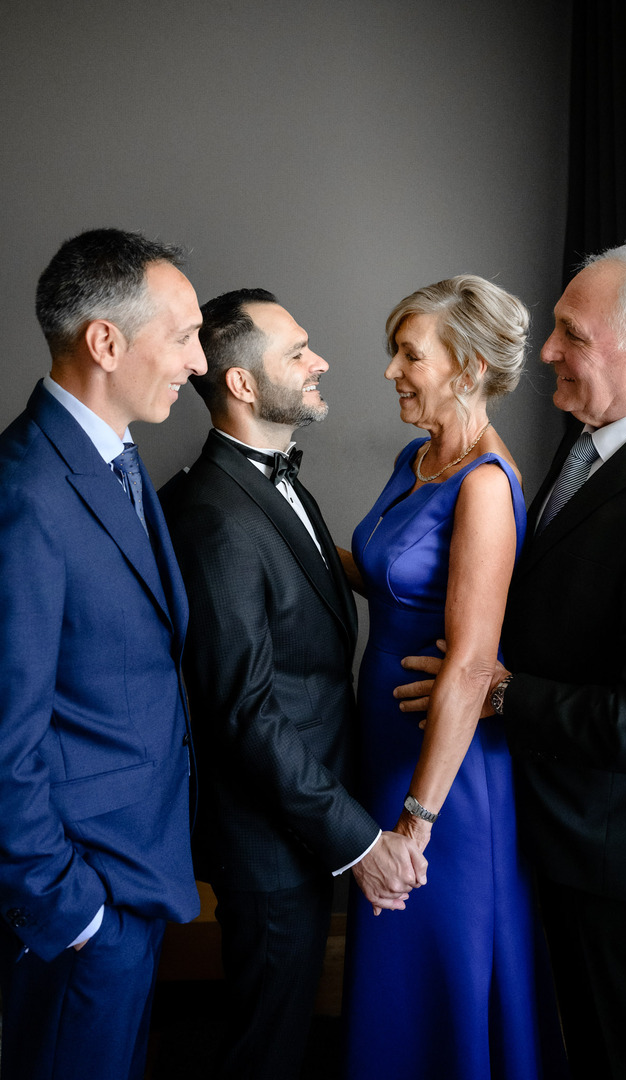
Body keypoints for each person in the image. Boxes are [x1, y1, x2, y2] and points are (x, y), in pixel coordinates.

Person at [397, 244, 626, 1079]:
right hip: (566, 833)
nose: (543, 352)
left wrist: (499, 692)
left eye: (570, 335)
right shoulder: (593, 444)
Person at [159, 289, 426, 1080]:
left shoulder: (273, 482)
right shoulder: (213, 514)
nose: (321, 363)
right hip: (269, 841)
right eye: (298, 352)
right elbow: (243, 710)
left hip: (301, 821)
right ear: (242, 385)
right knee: (265, 1048)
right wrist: (358, 841)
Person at [341, 275, 567, 1080]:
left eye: (411, 354)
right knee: (393, 954)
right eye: (394, 353)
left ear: (468, 366)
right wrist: (281, 523)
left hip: (445, 772)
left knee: (434, 948)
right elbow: (388, 574)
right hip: (384, 742)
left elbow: (471, 663)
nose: (395, 371)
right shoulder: (419, 458)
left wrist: (418, 821)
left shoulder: (483, 487)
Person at [0, 227, 206, 1080]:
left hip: (136, 877)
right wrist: (75, 912)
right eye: (185, 335)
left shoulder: (116, 460)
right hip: (84, 909)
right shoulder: (23, 492)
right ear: (106, 341)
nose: (197, 362)